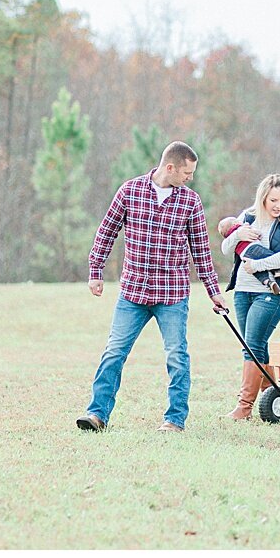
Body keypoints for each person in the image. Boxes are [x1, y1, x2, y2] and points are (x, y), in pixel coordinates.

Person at [76, 141, 227, 434]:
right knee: (114, 352)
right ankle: (96, 415)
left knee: (176, 356)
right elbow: (106, 231)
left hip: (172, 294)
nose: (190, 178)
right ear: (169, 167)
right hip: (133, 292)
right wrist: (95, 271)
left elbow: (201, 251)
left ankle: (174, 420)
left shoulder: (190, 202)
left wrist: (214, 292)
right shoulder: (130, 191)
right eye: (187, 172)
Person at [222, 174, 280, 420]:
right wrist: (239, 235)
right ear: (263, 198)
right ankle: (274, 398)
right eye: (273, 200)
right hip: (243, 291)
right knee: (255, 345)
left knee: (252, 345)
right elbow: (226, 249)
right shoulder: (247, 218)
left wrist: (257, 266)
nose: (278, 205)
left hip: (272, 292)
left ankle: (244, 407)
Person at [217, 216, 280, 295]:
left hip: (244, 256)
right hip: (253, 248)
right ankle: (277, 271)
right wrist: (258, 234)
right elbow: (256, 232)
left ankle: (268, 282)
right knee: (269, 255)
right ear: (235, 224)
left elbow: (226, 246)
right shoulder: (243, 227)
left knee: (257, 272)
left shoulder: (230, 238)